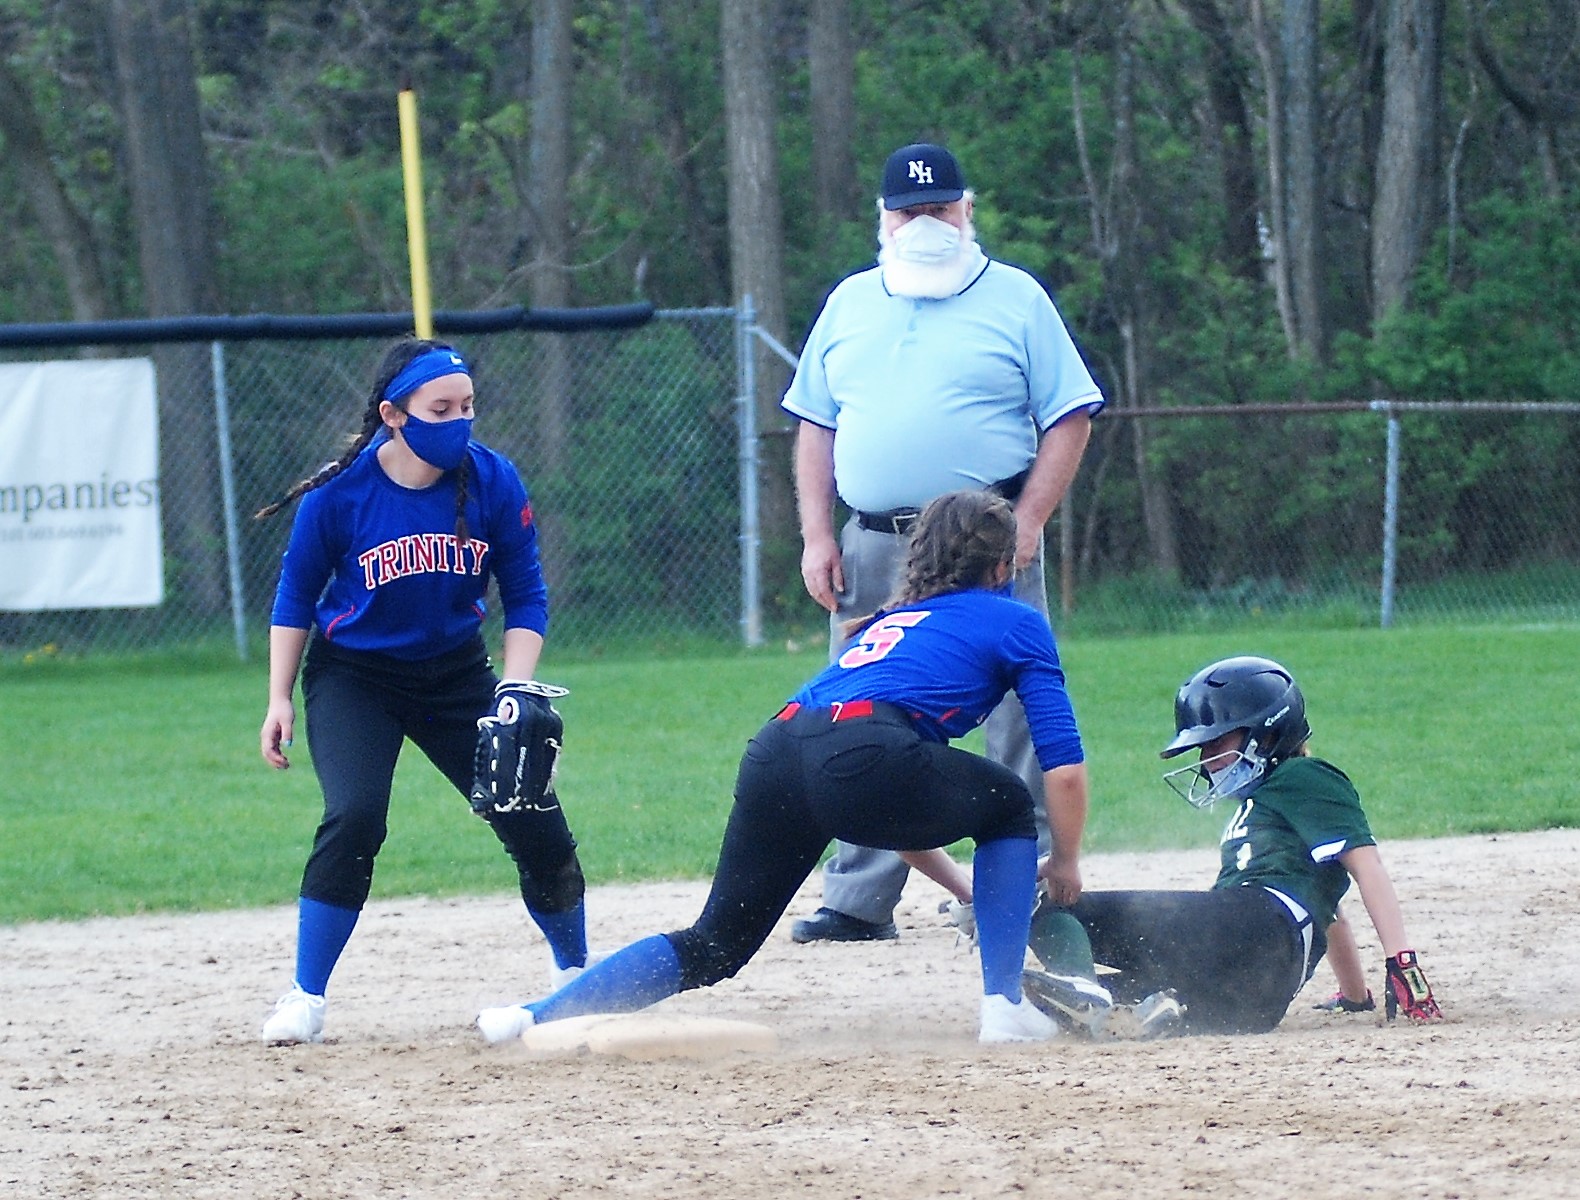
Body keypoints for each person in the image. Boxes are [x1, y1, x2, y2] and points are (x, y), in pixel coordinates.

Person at [476, 490, 1093, 1046]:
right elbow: (1060, 767)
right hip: (865, 752)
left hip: (779, 749)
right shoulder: (1017, 621)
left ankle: (533, 1015)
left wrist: (974, 895)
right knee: (1008, 802)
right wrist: (1062, 861)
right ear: (1002, 565)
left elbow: (887, 808)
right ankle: (1005, 1009)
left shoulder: (888, 622)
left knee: (714, 943)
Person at [781, 140, 1105, 944]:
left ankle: (1019, 885)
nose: (925, 222)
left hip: (988, 542)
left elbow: (1070, 415)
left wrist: (1027, 521)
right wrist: (818, 535)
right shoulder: (851, 301)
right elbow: (816, 424)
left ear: (967, 211)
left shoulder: (1016, 297)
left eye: (940, 207)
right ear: (882, 220)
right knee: (862, 710)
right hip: (876, 540)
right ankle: (859, 898)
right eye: (909, 209)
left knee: (1017, 713)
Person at [254, 337, 588, 1044]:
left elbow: (526, 596)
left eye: (467, 405)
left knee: (532, 815)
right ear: (394, 414)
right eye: (441, 407)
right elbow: (295, 596)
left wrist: (517, 688)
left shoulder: (493, 480)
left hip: (456, 674)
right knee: (355, 816)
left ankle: (575, 979)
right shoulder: (337, 495)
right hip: (356, 678)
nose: (459, 419)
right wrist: (279, 697)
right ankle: (305, 997)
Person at [1020, 655, 1444, 1037]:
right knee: (1047, 1007)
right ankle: (1151, 1008)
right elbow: (1329, 911)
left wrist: (1402, 962)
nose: (1207, 759)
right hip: (1259, 996)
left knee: (1046, 908)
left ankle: (1089, 989)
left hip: (1254, 926)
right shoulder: (1267, 802)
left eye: (1217, 742)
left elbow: (1365, 865)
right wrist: (1355, 996)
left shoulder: (1305, 775)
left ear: (1267, 731)